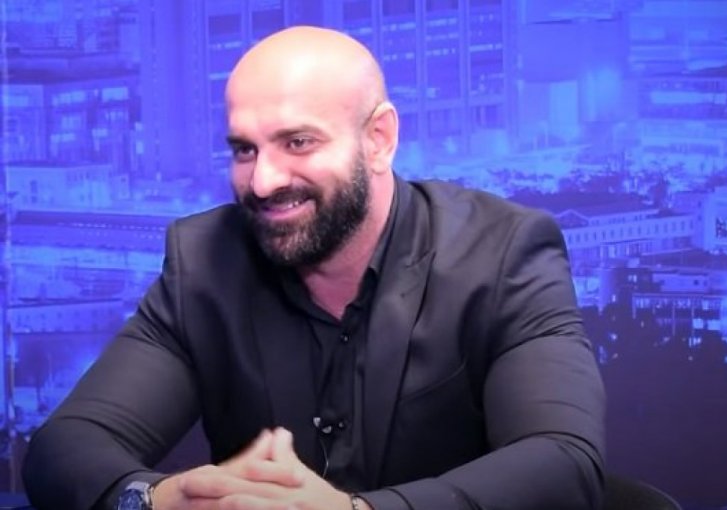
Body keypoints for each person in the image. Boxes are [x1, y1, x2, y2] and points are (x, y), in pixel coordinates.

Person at [22, 26, 605, 510]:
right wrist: (160, 499)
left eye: (297, 142)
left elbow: (563, 462)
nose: (263, 181)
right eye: (245, 149)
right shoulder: (205, 263)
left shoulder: (503, 254)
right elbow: (64, 447)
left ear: (378, 139)